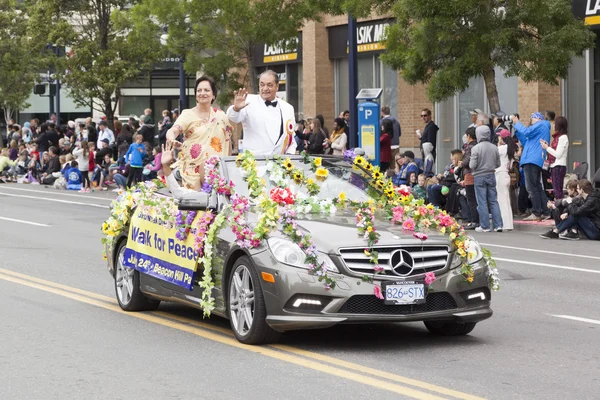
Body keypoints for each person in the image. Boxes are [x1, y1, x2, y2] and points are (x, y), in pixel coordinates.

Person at [166, 76, 233, 190]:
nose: (202, 93)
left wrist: (228, 166)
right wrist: (171, 139)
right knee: (196, 206)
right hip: (192, 173)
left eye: (206, 90)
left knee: (216, 206)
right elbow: (173, 130)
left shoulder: (221, 116)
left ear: (213, 95)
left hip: (217, 173)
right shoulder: (187, 114)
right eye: (199, 90)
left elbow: (228, 142)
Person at [227, 70, 296, 156]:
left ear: (277, 86)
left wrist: (290, 156)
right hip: (254, 163)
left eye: (269, 85)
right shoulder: (248, 101)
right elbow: (233, 117)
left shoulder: (288, 108)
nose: (265, 88)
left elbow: (291, 137)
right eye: (262, 85)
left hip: (280, 164)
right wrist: (236, 108)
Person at [512, 112, 551, 221]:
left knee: (531, 188)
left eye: (532, 119)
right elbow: (526, 141)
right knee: (537, 187)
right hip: (535, 159)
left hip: (531, 159)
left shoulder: (541, 124)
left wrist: (517, 123)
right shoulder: (541, 129)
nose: (531, 121)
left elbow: (527, 132)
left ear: (538, 118)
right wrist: (518, 131)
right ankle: (545, 211)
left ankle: (536, 212)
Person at [470, 125, 503, 232]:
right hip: (491, 175)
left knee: (482, 202)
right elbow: (498, 163)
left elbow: (472, 165)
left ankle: (485, 226)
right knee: (494, 201)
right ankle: (498, 225)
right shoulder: (494, 147)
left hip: (479, 176)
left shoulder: (476, 148)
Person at [541, 116, 569, 200]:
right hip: (554, 166)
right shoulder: (557, 138)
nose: (553, 125)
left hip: (559, 166)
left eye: (555, 123)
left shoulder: (563, 138)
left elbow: (558, 154)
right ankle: (558, 209)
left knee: (558, 191)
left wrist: (547, 148)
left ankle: (560, 209)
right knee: (556, 190)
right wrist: (547, 146)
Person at [495, 129, 515, 231]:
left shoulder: (502, 148)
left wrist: (499, 144)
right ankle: (509, 224)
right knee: (506, 201)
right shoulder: (510, 149)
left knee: (501, 201)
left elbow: (494, 154)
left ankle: (505, 224)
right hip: (506, 175)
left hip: (500, 175)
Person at [461, 127, 479, 229]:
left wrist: (461, 164)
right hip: (478, 174)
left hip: (470, 175)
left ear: (469, 136)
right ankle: (479, 220)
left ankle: (474, 221)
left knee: (471, 199)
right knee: (478, 199)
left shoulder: (470, 147)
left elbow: (467, 161)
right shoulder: (479, 145)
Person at [417, 108, 438, 175]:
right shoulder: (428, 126)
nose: (423, 117)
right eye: (422, 116)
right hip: (425, 152)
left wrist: (424, 149)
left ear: (429, 116)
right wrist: (421, 138)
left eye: (425, 115)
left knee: (428, 171)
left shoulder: (431, 126)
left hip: (429, 153)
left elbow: (430, 142)